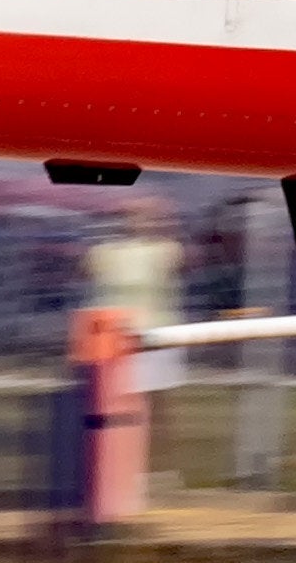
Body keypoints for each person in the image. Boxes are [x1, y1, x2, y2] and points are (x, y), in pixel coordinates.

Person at [83, 198, 186, 477]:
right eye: (133, 216)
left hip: (156, 334)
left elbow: (176, 260)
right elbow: (90, 269)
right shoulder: (104, 253)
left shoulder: (166, 250)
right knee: (110, 405)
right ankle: (113, 466)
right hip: (115, 337)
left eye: (147, 217)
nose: (139, 222)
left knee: (157, 407)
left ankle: (159, 468)